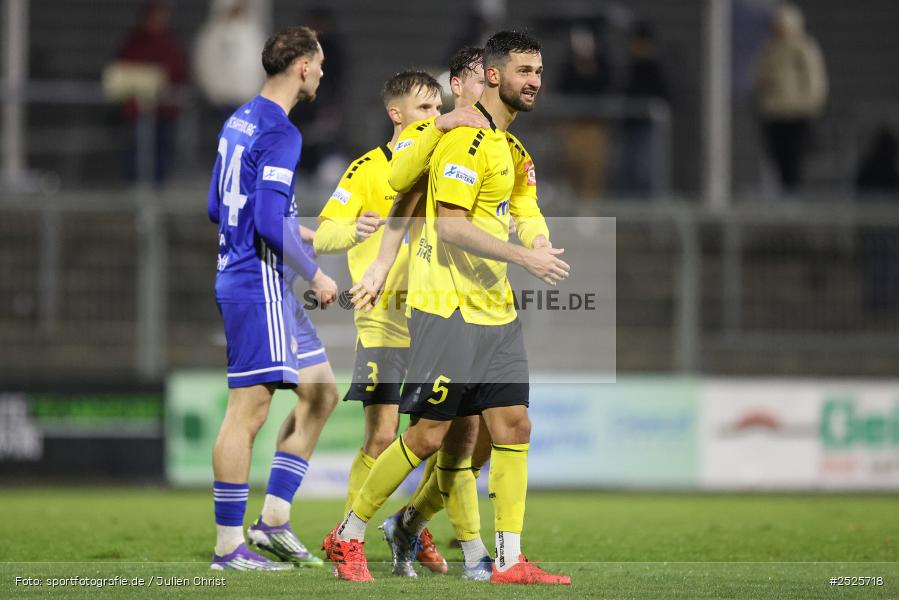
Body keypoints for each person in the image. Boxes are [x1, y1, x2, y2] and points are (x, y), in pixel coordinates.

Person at [324, 31, 572, 585]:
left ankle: (507, 561)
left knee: (514, 425)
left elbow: (526, 208)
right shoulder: (464, 140)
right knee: (429, 437)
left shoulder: (514, 151)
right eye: (524, 71)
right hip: (446, 306)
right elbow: (451, 226)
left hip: (497, 310)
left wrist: (537, 244)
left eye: (538, 71)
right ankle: (349, 531)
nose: (535, 81)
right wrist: (520, 256)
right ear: (492, 75)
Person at [206, 25, 341, 571]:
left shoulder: (238, 118)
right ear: (303, 66)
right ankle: (227, 548)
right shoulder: (283, 132)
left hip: (252, 277)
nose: (324, 72)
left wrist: (298, 230)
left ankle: (274, 523)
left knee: (322, 393)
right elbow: (262, 219)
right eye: (321, 63)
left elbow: (219, 207)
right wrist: (315, 273)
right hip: (257, 284)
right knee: (248, 412)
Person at [312, 70, 451, 576]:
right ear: (397, 115)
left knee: (432, 439)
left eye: (439, 109)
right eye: (424, 110)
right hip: (383, 323)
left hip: (436, 321)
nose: (435, 118)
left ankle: (413, 525)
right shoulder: (368, 169)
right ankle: (349, 537)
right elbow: (323, 236)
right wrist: (355, 228)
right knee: (382, 435)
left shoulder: (443, 166)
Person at [754, 2, 828, 193]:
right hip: (775, 113)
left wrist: (811, 104)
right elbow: (761, 76)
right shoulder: (770, 49)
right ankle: (786, 194)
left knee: (794, 160)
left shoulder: (803, 48)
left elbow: (813, 79)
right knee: (778, 158)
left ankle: (795, 196)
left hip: (797, 112)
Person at [116, 0, 188, 185]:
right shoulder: (134, 43)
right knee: (136, 158)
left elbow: (179, 75)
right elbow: (123, 73)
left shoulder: (172, 44)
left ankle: (158, 202)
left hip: (165, 113)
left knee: (162, 161)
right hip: (138, 113)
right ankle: (134, 201)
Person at [193, 0, 267, 115]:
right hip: (219, 101)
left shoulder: (253, 33)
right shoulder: (211, 35)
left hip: (247, 100)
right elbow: (204, 66)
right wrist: (214, 93)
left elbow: (261, 64)